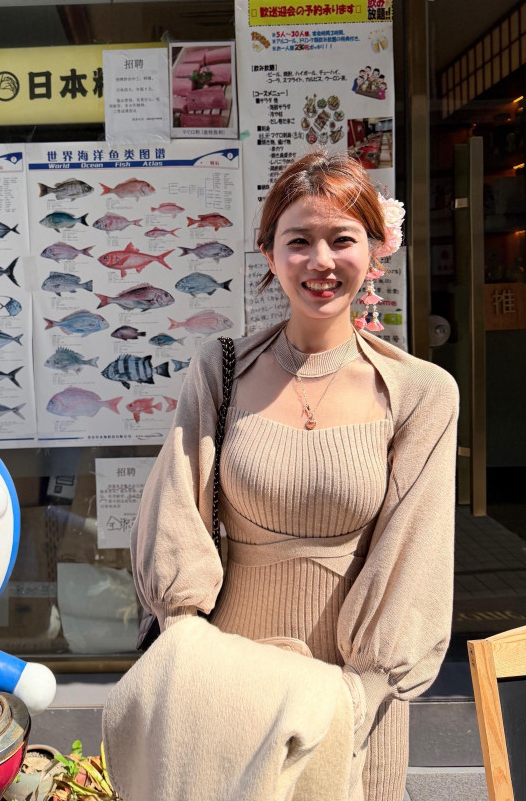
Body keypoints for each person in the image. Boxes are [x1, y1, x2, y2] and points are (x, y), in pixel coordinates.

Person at [131, 152, 458, 801]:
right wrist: (187, 644)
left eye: (342, 239)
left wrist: (357, 695)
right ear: (269, 252)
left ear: (376, 248)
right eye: (299, 240)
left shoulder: (421, 393)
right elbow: (176, 513)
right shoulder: (221, 368)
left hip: (356, 690)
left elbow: (415, 556)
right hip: (230, 678)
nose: (321, 260)